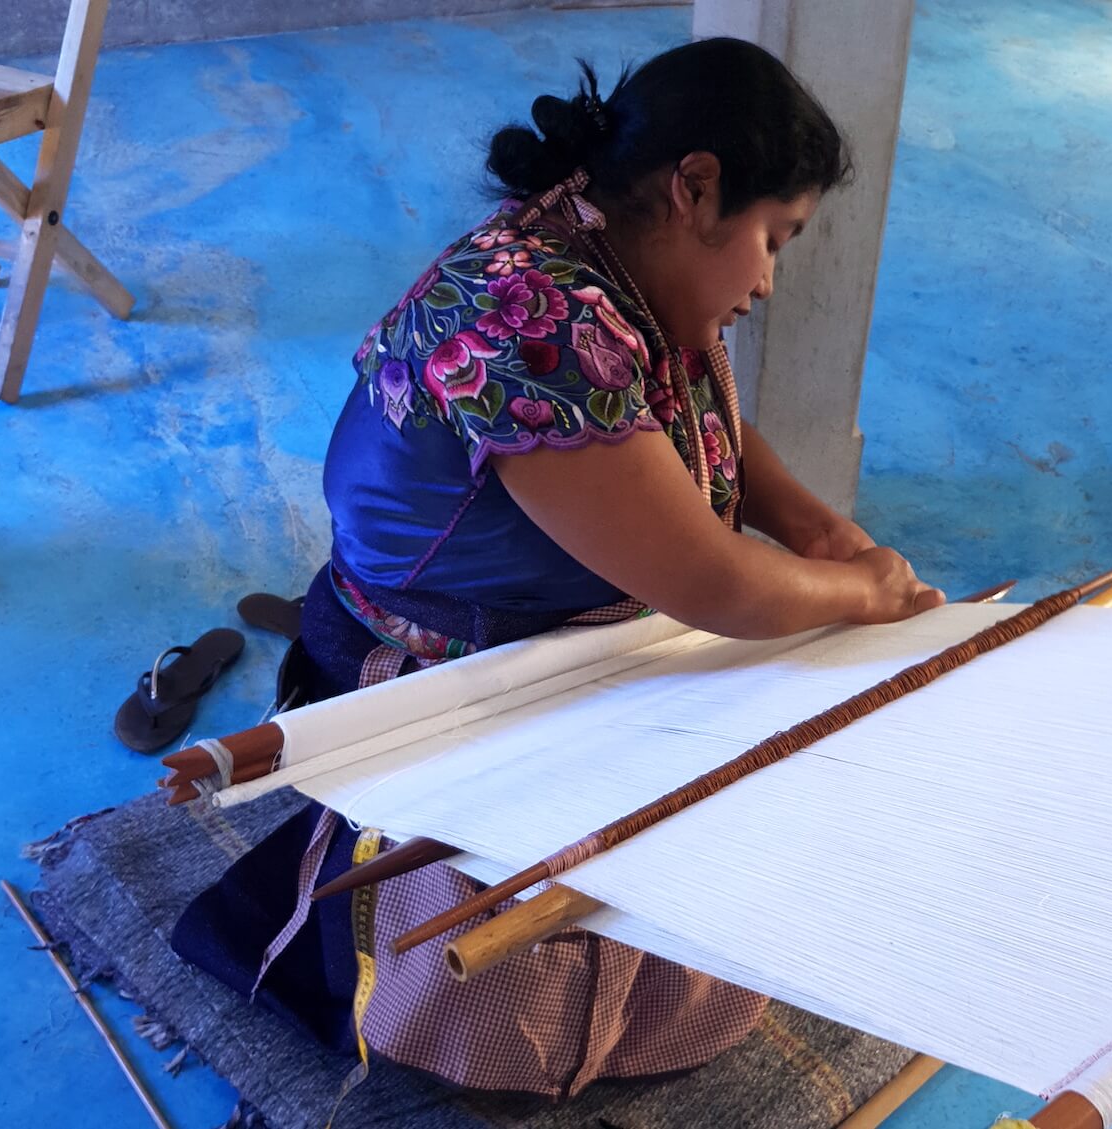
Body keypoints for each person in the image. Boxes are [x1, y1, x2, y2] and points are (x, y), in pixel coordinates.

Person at [174, 36, 944, 1102]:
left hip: (535, 615)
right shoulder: (534, 324)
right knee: (537, 885)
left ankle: (623, 1008)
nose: (767, 278)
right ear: (697, 187)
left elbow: (696, 413)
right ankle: (470, 1046)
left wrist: (813, 528)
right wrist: (864, 592)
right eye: (774, 238)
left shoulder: (605, 249)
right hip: (439, 667)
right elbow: (715, 586)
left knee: (743, 710)